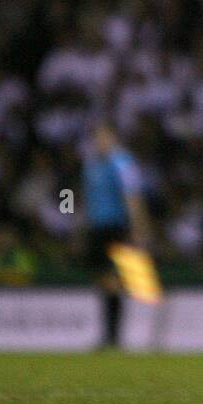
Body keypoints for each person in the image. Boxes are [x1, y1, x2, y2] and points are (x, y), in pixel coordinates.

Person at [82, 122, 151, 348]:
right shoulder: (91, 165)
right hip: (97, 228)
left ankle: (114, 336)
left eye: (104, 137)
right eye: (97, 137)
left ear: (113, 138)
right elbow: (87, 199)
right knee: (102, 280)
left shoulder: (123, 162)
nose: (100, 142)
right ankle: (109, 333)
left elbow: (133, 196)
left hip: (117, 227)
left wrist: (138, 227)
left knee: (116, 280)